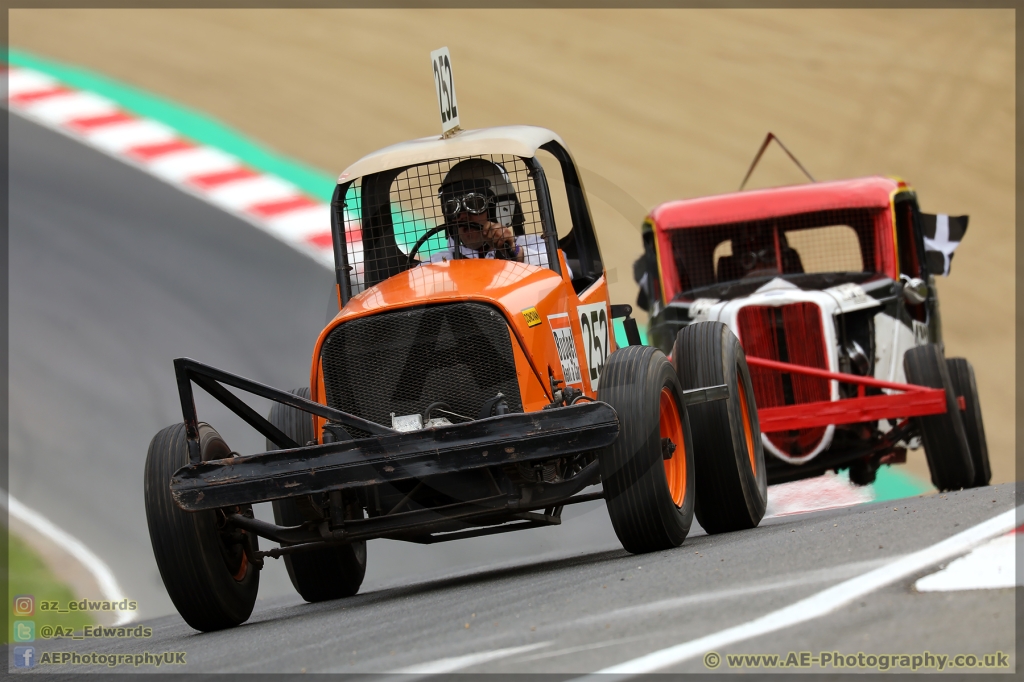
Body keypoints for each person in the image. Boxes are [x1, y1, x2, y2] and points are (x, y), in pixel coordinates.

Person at [425, 159, 566, 274]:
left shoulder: (534, 246)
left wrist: (514, 251)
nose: (462, 216)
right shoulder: (437, 264)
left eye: (474, 204)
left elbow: (565, 272)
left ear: (498, 209)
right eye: (452, 208)